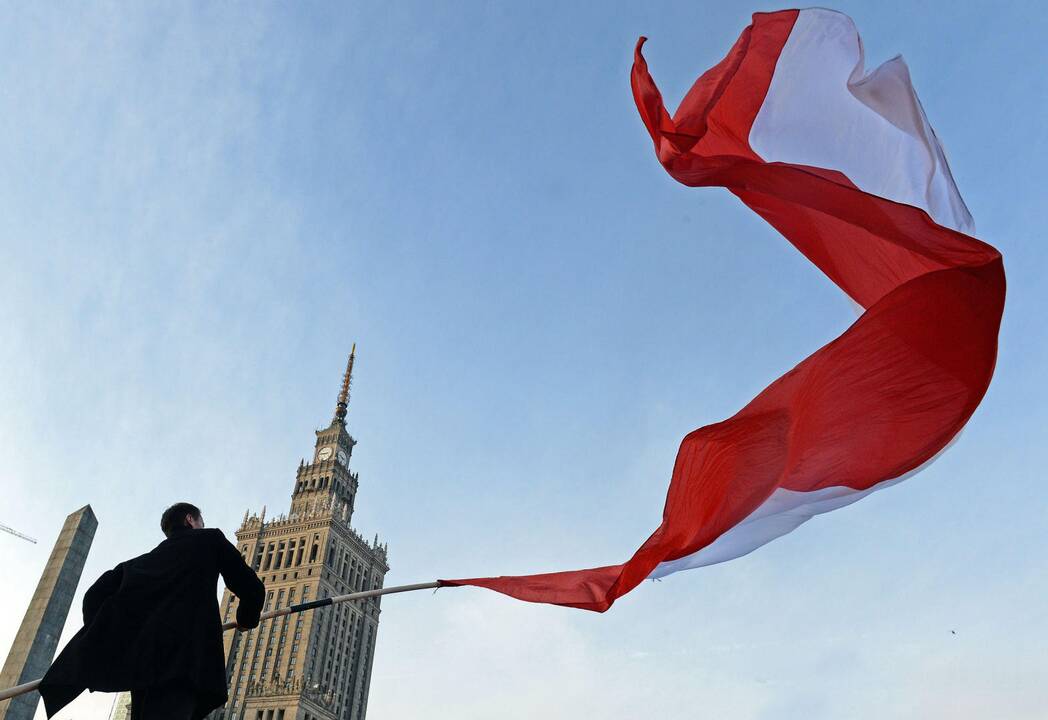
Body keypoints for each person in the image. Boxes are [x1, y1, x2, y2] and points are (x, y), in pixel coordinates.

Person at [39, 502, 266, 720]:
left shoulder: (142, 562)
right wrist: (246, 619)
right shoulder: (210, 539)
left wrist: (114, 636)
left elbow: (94, 595)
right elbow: (252, 587)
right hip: (184, 664)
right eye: (201, 522)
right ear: (190, 520)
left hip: (142, 668)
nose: (202, 527)